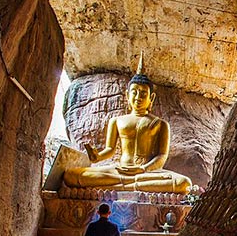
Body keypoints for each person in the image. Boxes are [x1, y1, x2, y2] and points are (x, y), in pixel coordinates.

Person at [62, 52, 193, 193]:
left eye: (143, 94)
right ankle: (129, 185)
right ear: (127, 95)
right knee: (70, 176)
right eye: (134, 92)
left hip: (146, 173)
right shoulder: (117, 121)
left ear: (151, 98)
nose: (138, 97)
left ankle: (118, 187)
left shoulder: (160, 124)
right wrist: (97, 157)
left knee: (184, 183)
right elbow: (110, 150)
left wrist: (143, 169)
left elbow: (161, 156)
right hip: (120, 170)